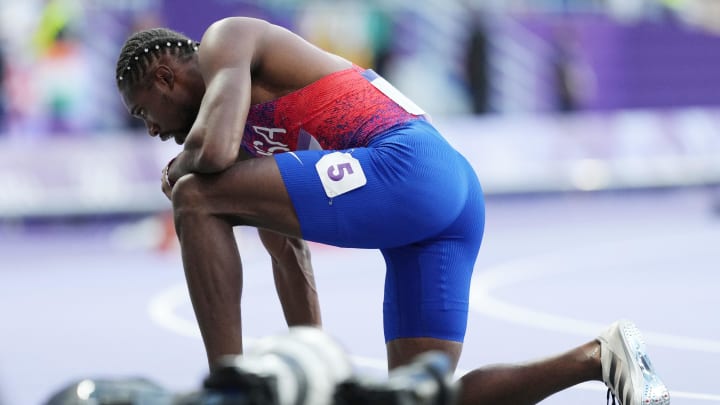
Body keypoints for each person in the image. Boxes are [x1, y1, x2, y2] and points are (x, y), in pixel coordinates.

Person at [114, 17, 669, 405]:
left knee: (193, 193)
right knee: (418, 398)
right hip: (448, 196)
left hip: (407, 165)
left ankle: (225, 385)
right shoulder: (249, 148)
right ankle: (598, 357)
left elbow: (206, 156)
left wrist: (176, 171)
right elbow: (290, 257)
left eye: (145, 112)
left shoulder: (224, 40)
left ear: (164, 77)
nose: (153, 131)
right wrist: (320, 372)